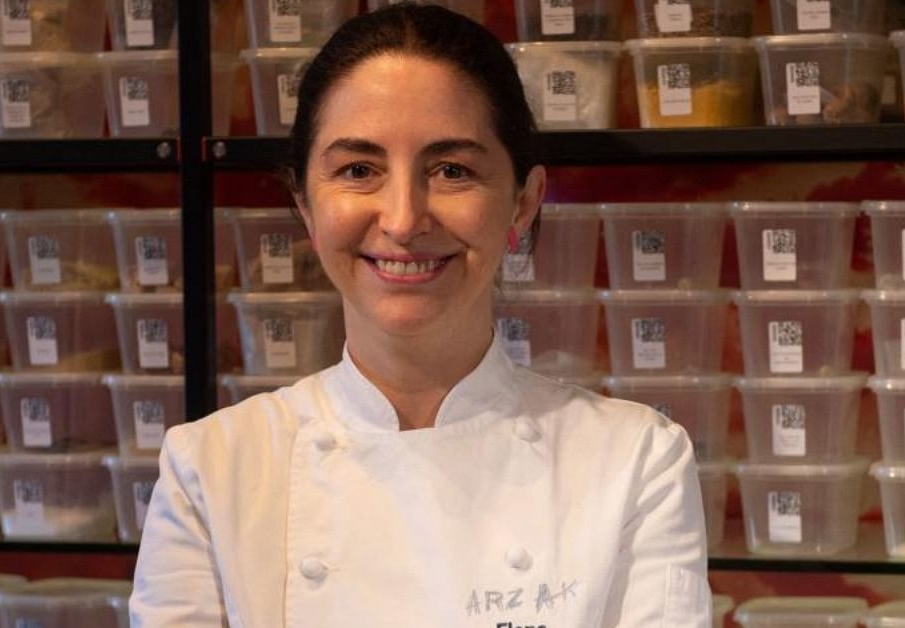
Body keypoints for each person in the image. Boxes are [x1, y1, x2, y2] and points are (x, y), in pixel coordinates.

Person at [131, 4, 710, 626]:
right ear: (305, 204)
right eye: (359, 170)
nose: (404, 219)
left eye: (451, 170)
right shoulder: (212, 469)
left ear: (523, 202)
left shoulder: (636, 460)